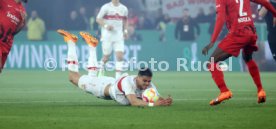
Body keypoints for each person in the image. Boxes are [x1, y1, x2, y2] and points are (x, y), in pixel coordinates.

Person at [56, 30, 173, 107]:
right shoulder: (128, 82)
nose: (147, 84)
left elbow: (156, 97)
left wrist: (164, 101)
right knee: (72, 77)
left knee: (91, 77)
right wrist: (154, 105)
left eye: (149, 81)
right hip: (102, 88)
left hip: (111, 83)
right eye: (145, 81)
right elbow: (134, 102)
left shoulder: (149, 85)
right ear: (137, 77)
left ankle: (92, 46)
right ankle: (71, 42)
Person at [202, 0, 276, 106]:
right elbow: (266, 2)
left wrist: (212, 41)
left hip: (238, 33)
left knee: (211, 62)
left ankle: (224, 91)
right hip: (251, 32)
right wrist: (274, 14)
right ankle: (261, 91)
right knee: (248, 58)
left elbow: (220, 18)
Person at [96, 0, 128, 79]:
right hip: (107, 36)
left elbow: (125, 20)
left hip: (118, 36)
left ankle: (118, 77)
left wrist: (125, 30)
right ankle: (101, 69)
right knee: (106, 56)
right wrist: (106, 26)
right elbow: (98, 19)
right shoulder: (106, 7)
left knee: (120, 56)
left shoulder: (124, 8)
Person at [0, 0, 27, 73]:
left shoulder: (22, 10)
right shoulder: (5, 1)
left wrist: (11, 34)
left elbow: (21, 26)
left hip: (7, 43)